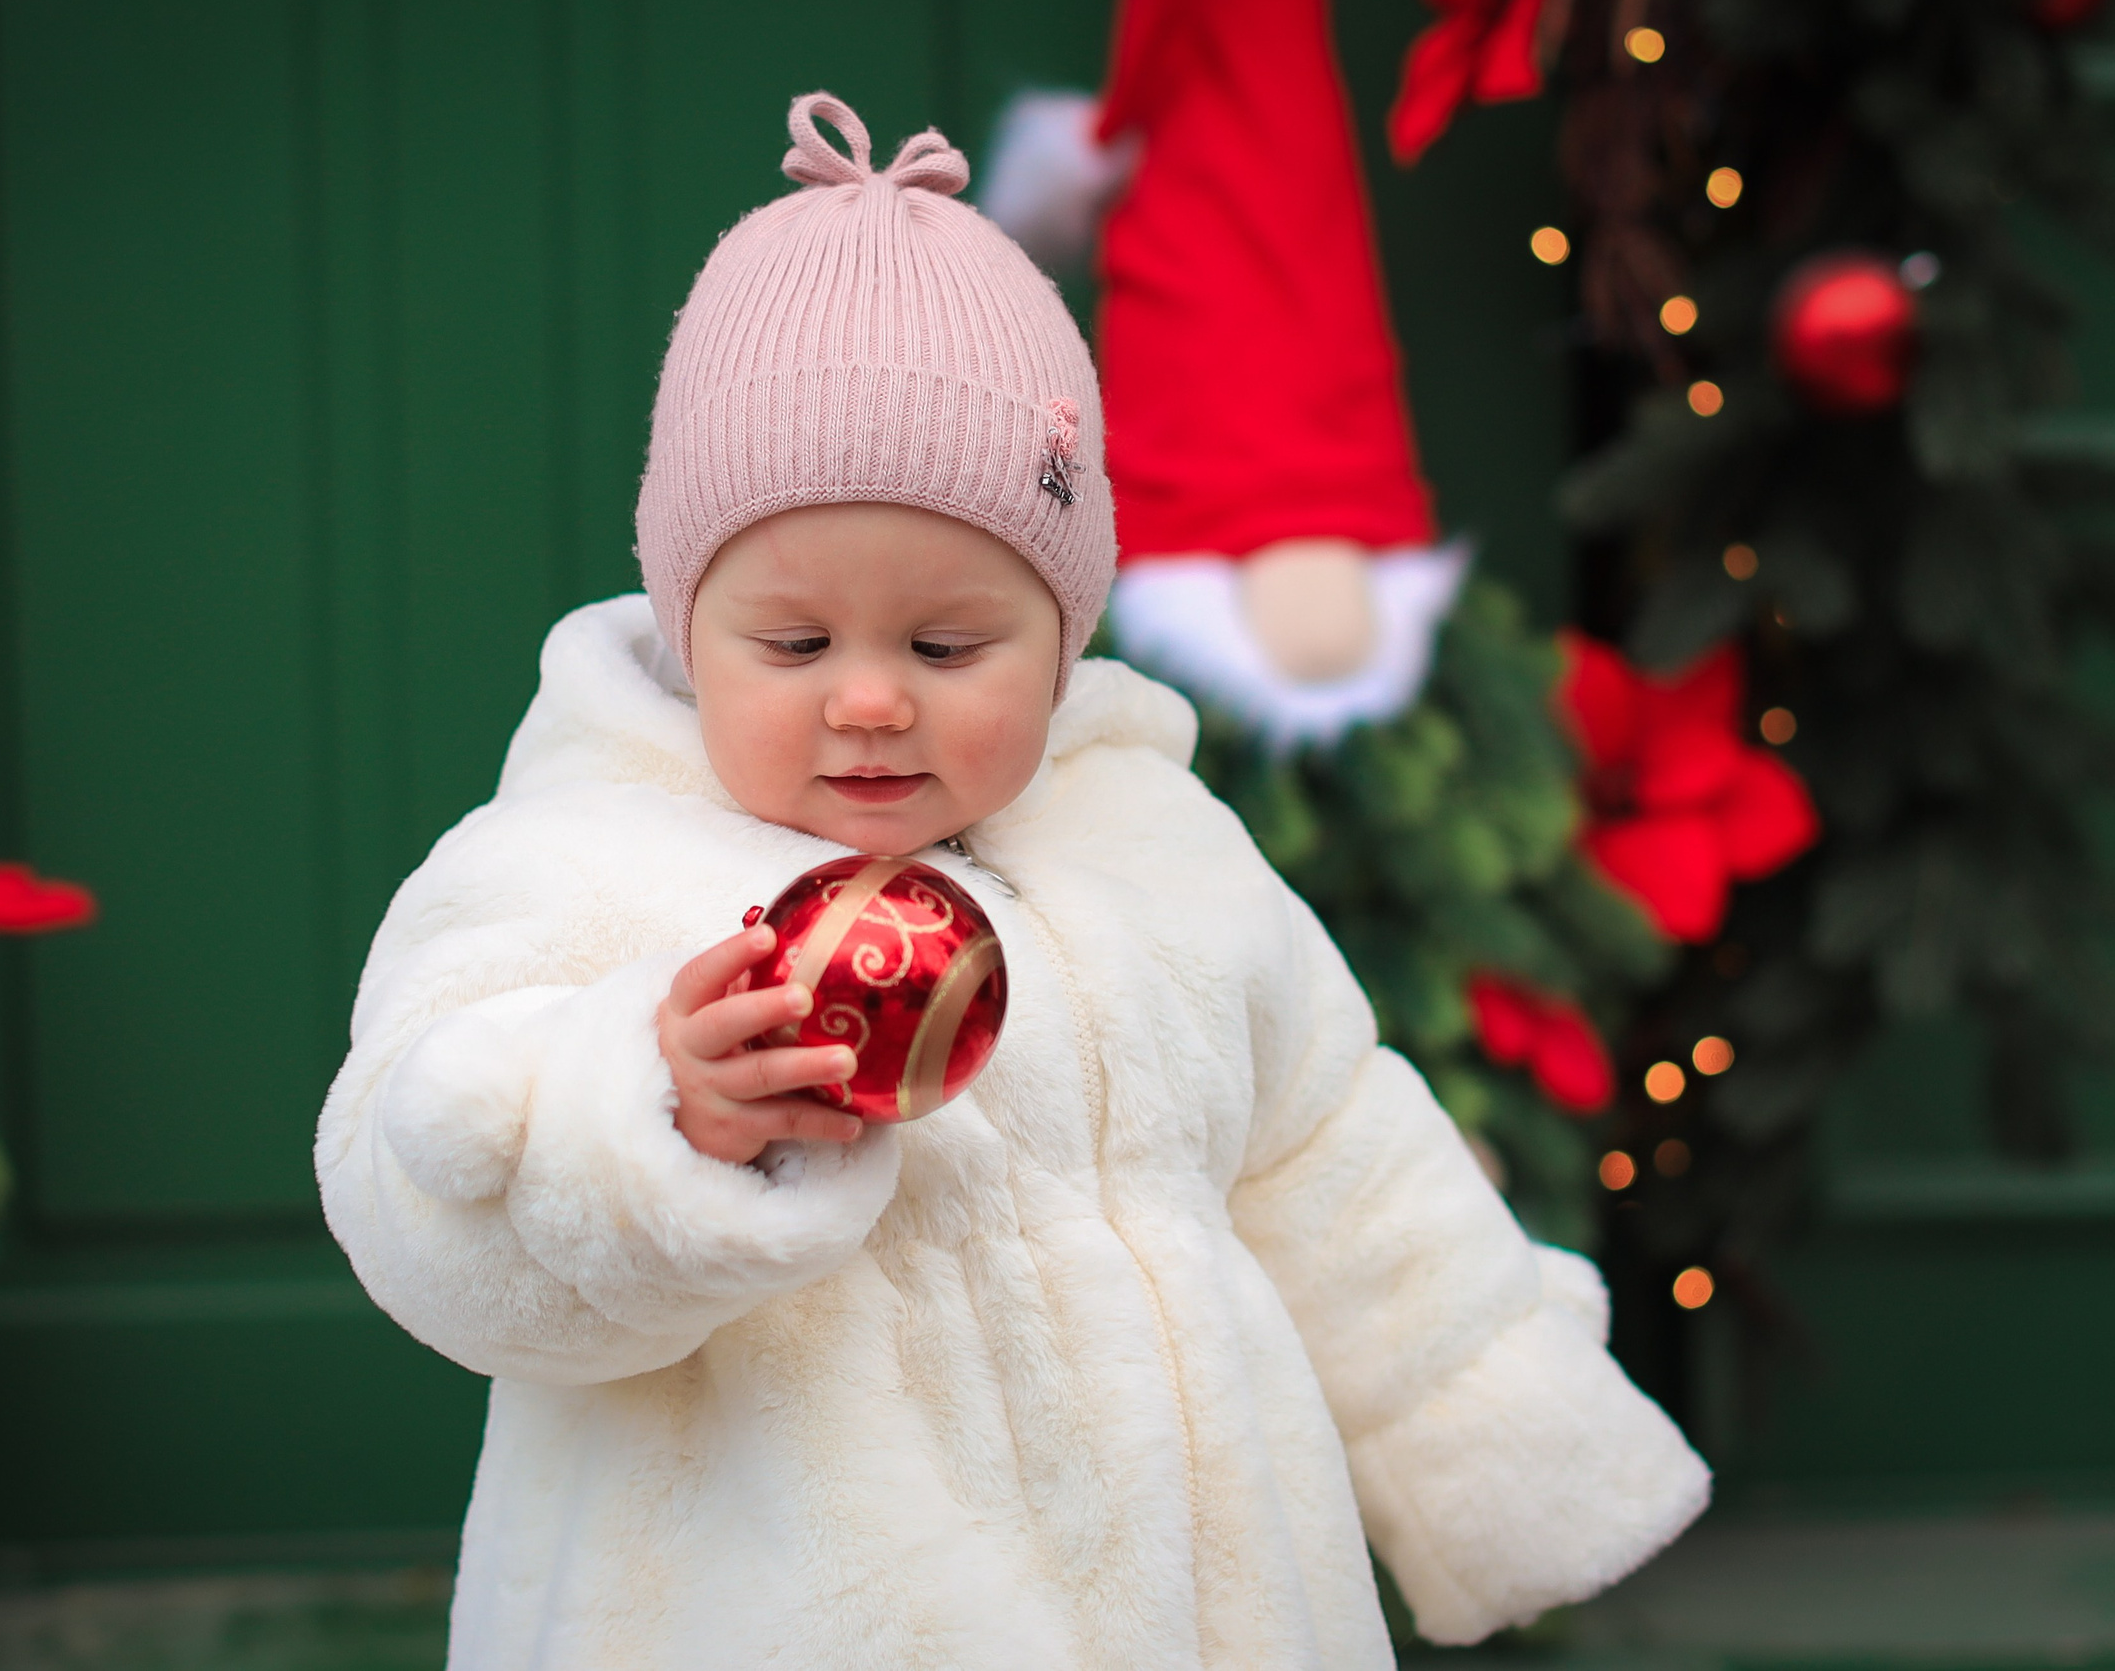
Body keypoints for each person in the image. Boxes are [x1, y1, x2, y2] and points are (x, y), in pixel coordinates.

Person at [316, 93, 1707, 1668]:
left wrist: (1497, 1438)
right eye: (791, 643)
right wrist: (642, 1117)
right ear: (686, 624)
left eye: (948, 644)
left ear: (1068, 633)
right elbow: (416, 1186)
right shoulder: (580, 862)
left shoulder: (1155, 853)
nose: (868, 699)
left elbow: (1332, 1148)